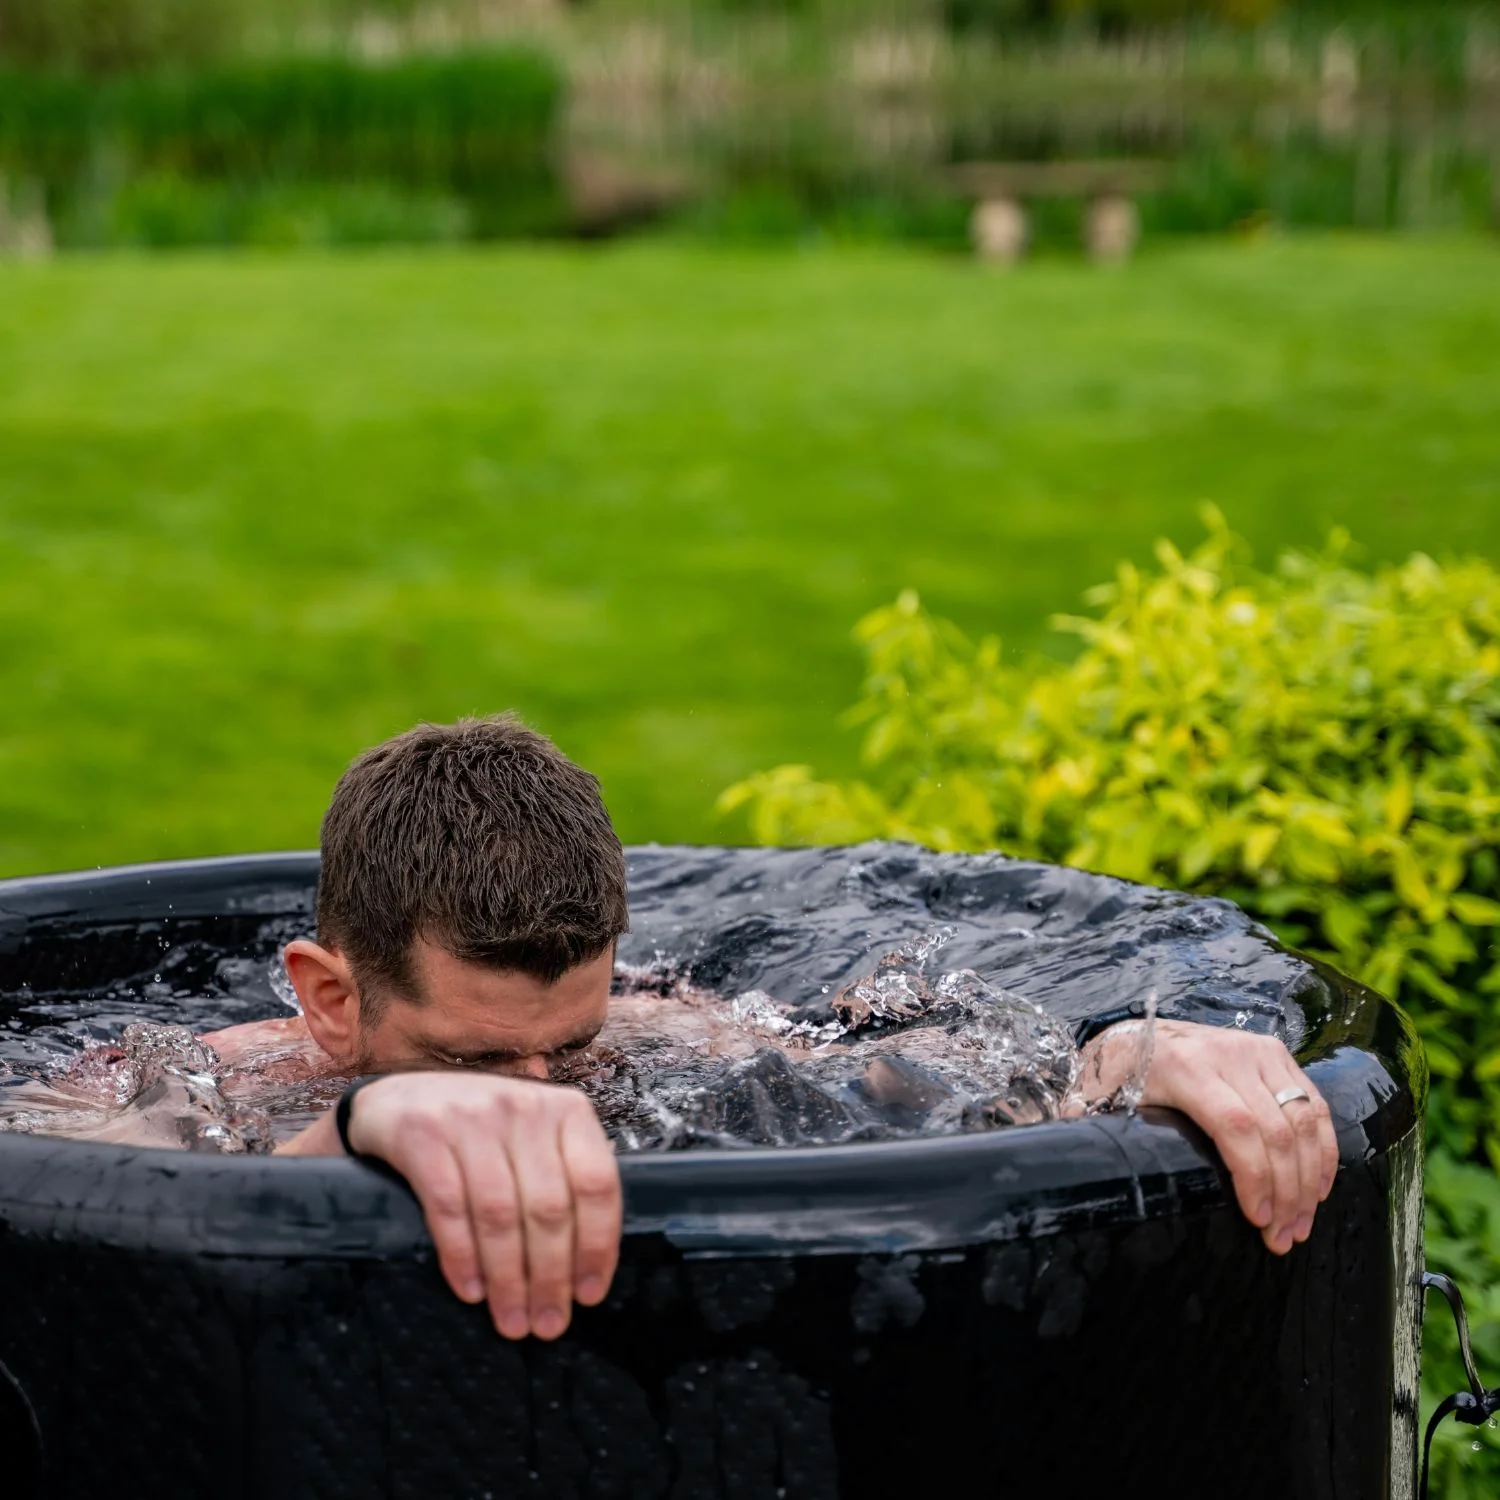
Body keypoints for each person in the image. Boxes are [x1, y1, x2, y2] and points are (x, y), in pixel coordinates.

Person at [261, 716, 1336, 1344]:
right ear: (331, 999)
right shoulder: (209, 1083)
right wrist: (362, 1121)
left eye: (573, 1047)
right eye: (473, 1057)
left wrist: (1126, 1056)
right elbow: (154, 1200)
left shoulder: (666, 1035)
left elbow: (936, 1074)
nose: (539, 1089)